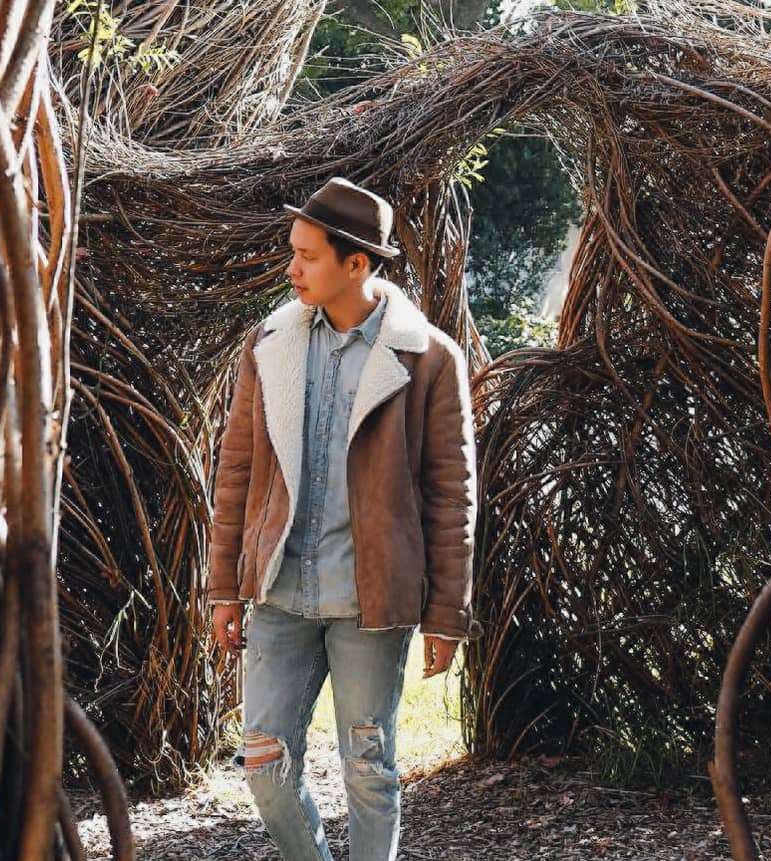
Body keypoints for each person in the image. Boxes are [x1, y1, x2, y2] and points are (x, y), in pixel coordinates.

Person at [205, 176, 480, 861]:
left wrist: (447, 614)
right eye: (292, 252)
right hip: (280, 595)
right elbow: (236, 471)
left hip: (371, 601)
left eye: (307, 255)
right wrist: (222, 587)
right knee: (265, 769)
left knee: (370, 770)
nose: (291, 268)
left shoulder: (429, 359)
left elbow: (452, 494)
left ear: (356, 263)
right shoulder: (268, 343)